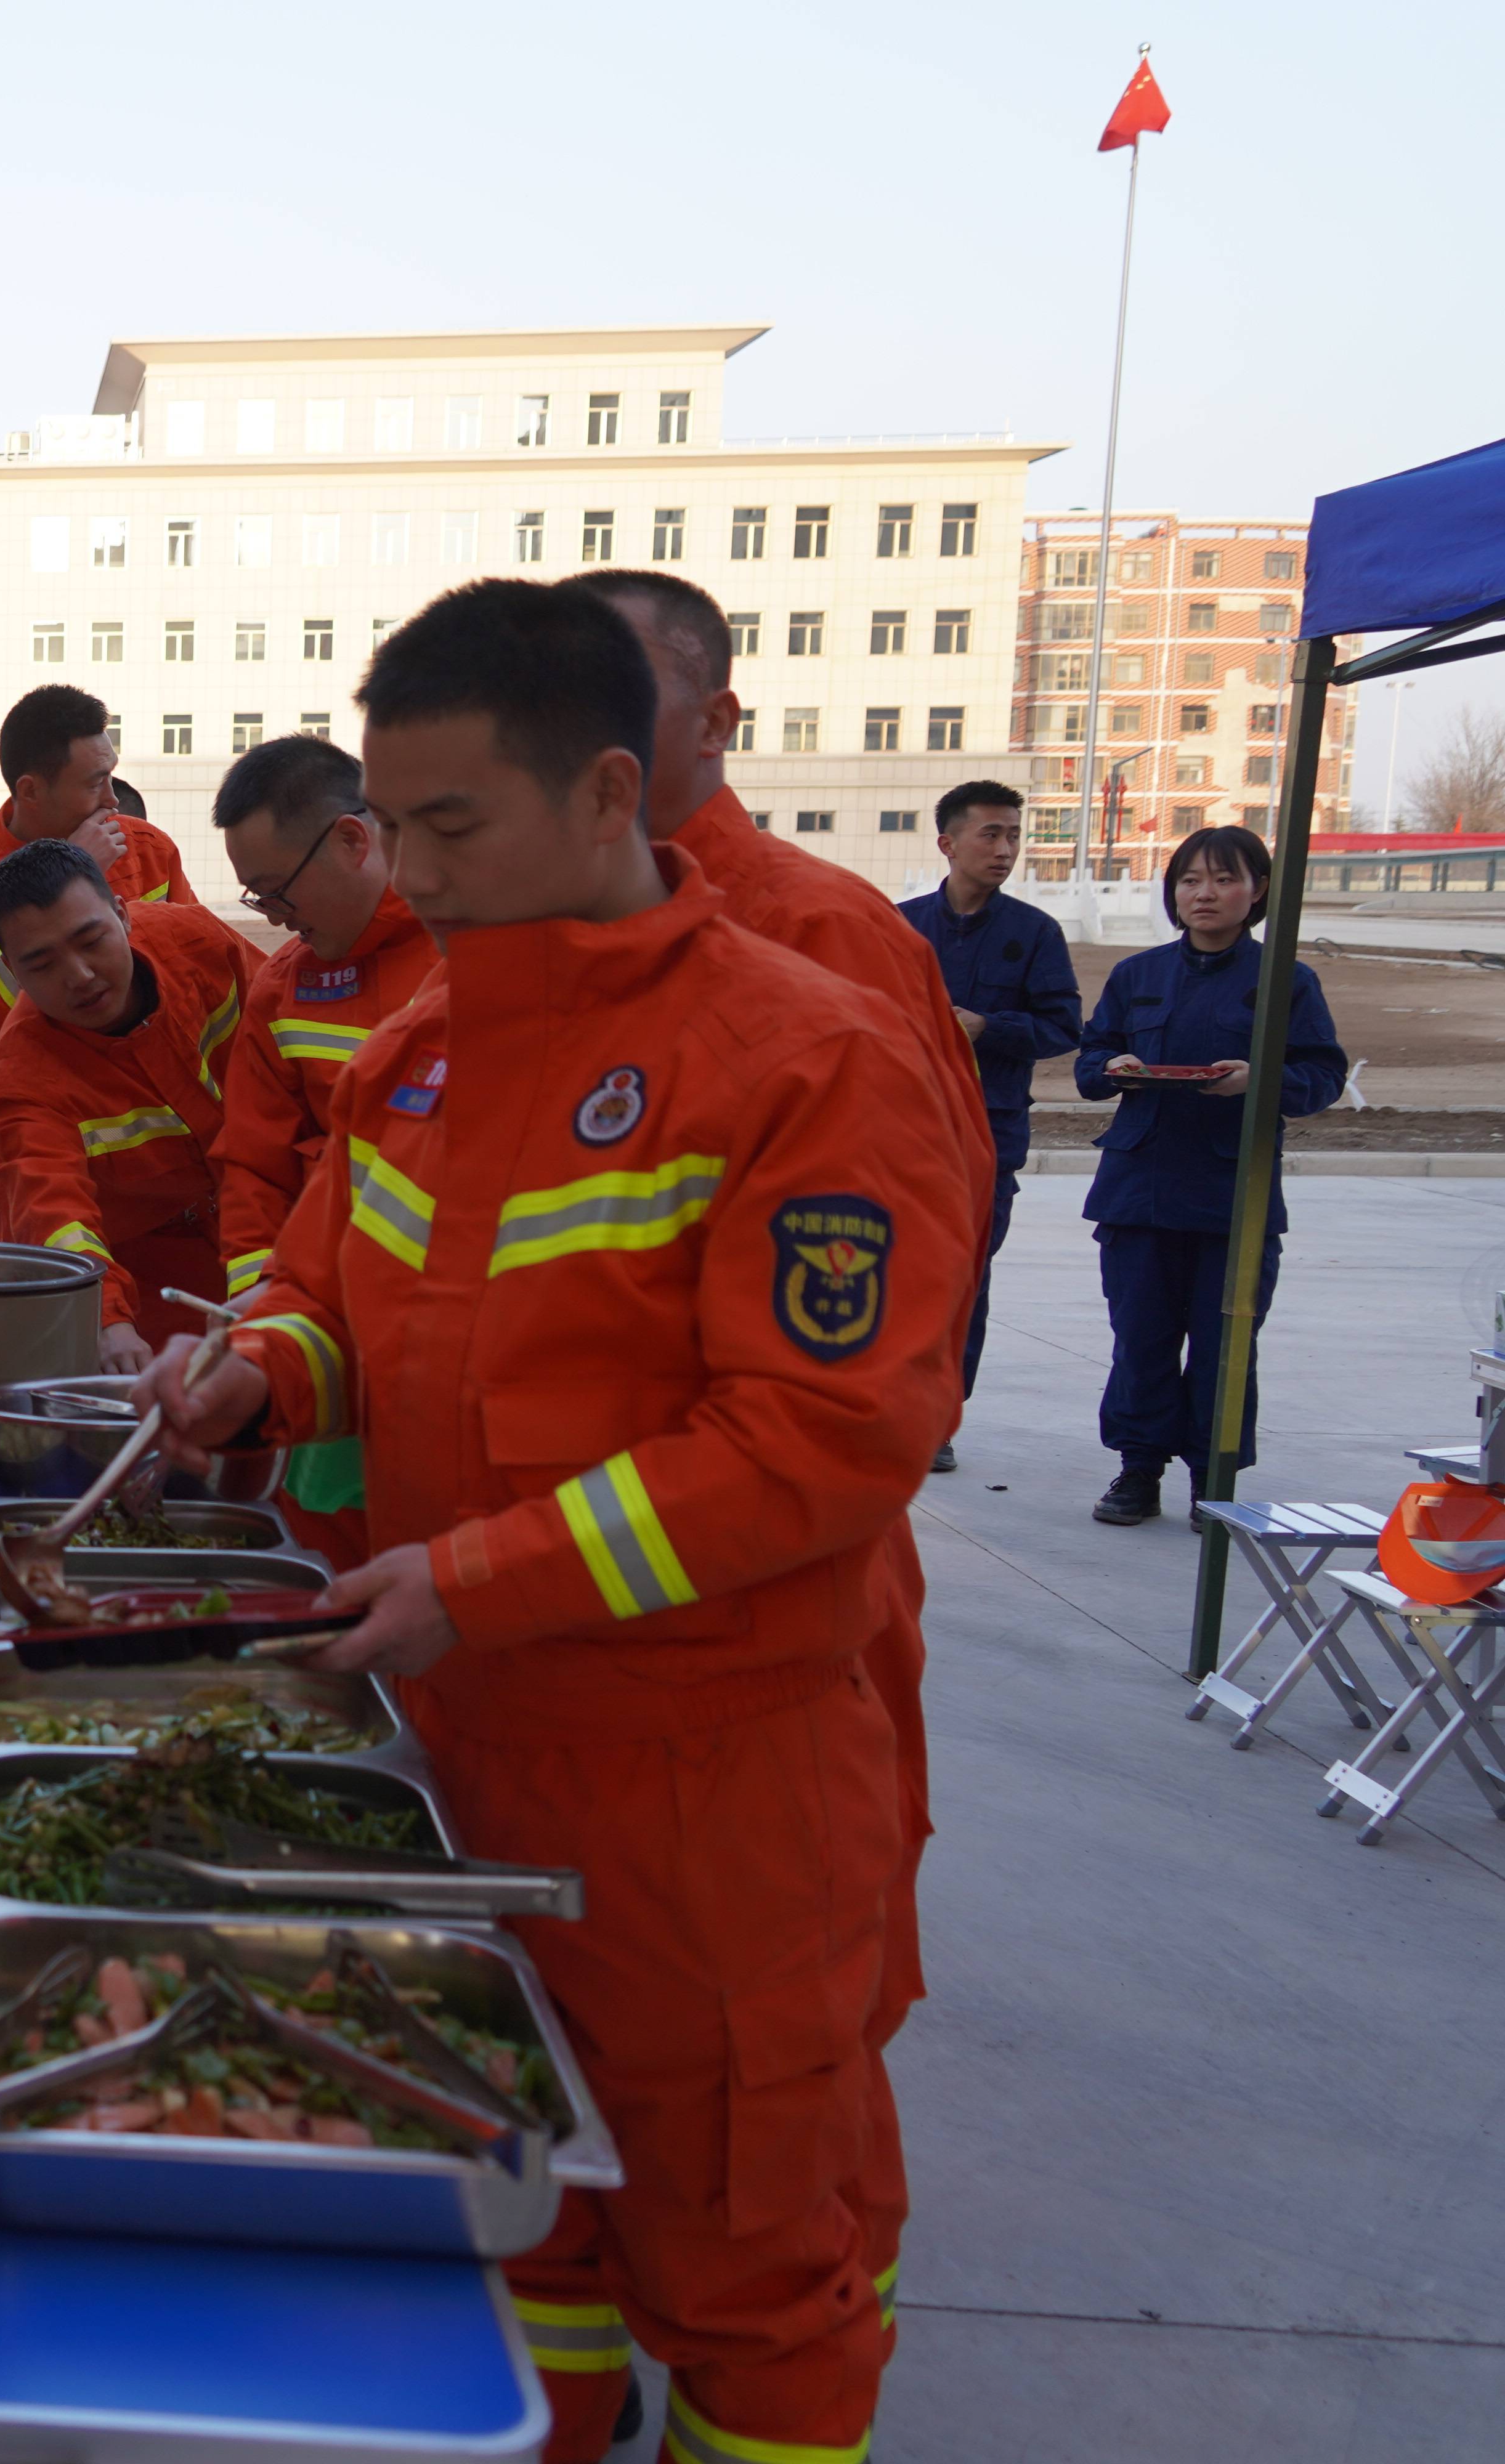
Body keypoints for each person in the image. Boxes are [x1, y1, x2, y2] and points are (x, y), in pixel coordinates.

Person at [136, 578, 971, 2464]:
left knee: (750, 2273)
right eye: (389, 826)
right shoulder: (428, 1044)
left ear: (606, 792)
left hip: (707, 1797)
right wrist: (254, 1368)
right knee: (521, 2225)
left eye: (450, 827)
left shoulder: (798, 1054)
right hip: (459, 1752)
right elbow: (328, 1281)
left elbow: (821, 1438)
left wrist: (476, 1575)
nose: (407, 873)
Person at [572, 565, 979, 2316]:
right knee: (569, 2173)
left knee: (767, 2178)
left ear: (718, 721)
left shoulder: (821, 952)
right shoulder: (520, 957)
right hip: (544, 1664)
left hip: (740, 1657)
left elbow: (869, 1380)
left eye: (623, 705)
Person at [207, 734, 440, 1571]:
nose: (271, 916)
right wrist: (254, 1314)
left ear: (352, 839)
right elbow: (254, 1170)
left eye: (275, 890)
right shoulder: (284, 985)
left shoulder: (465, 959)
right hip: (322, 1346)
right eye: (254, 895)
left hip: (445, 1363)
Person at [1076, 824, 1346, 1525]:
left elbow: (1321, 1076)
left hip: (1235, 1200)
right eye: (1191, 880)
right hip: (1140, 1191)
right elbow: (1091, 1058)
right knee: (1141, 1340)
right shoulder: (1138, 976)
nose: (1205, 893)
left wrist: (1261, 1082)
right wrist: (1113, 1069)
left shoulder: (1285, 979)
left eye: (1224, 879)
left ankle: (1212, 1478)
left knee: (1227, 1347)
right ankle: (1138, 1470)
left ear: (1256, 892)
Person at [0, 837, 267, 1371]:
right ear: (14, 972)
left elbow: (294, 1053)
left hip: (257, 1227)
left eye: (91, 940)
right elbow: (56, 1216)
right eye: (42, 964)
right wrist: (108, 1321)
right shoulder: (21, 1080)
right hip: (136, 1277)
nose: (80, 976)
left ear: (122, 913)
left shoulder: (200, 944)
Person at [0, 684, 200, 1199]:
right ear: (31, 791)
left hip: (181, 1138)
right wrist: (69, 874)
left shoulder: (147, 849)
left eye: (111, 775)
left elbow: (195, 972)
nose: (112, 798)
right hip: (57, 1150)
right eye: (95, 783)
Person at [898, 780, 1083, 1446]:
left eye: (1013, 836)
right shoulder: (900, 926)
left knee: (963, 1277)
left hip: (986, 1136)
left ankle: (940, 1417)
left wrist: (990, 1027)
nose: (1005, 849)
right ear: (948, 843)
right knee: (892, 1273)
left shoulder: (1034, 934)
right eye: (990, 834)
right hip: (900, 1135)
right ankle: (883, 1404)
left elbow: (1064, 1026)